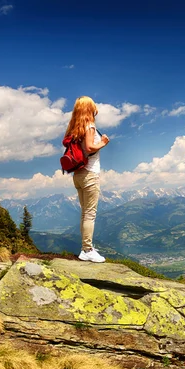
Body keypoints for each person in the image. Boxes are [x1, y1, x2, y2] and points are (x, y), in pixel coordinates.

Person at [64, 96, 110, 262]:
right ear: (89, 109)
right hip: (90, 173)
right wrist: (103, 142)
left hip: (78, 175)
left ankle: (86, 247)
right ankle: (87, 250)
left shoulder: (75, 128)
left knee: (85, 213)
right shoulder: (89, 126)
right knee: (90, 214)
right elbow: (89, 148)